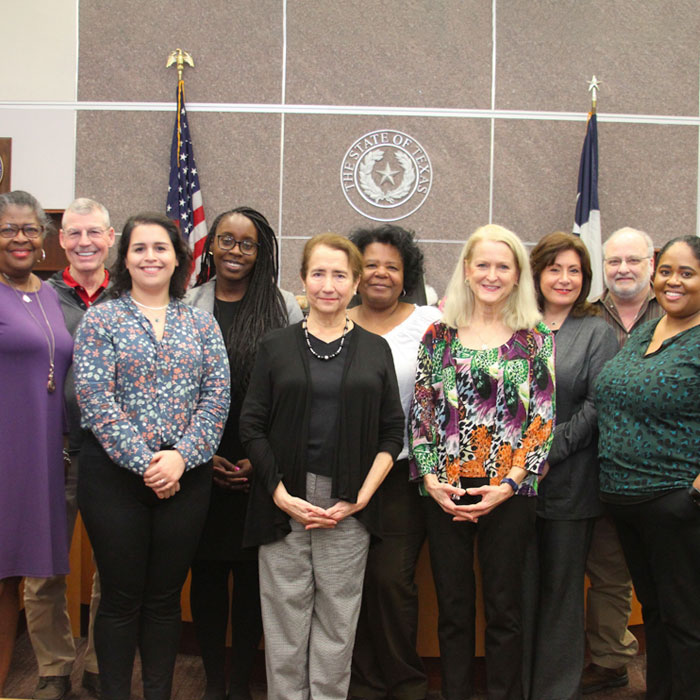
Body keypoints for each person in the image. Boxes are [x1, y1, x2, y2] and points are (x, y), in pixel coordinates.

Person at [240, 233, 405, 700]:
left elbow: (393, 432)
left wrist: (361, 498)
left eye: (339, 275)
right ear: (302, 280)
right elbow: (251, 425)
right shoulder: (275, 346)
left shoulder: (376, 349)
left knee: (337, 622)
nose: (328, 284)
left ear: (355, 283)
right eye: (318, 273)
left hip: (347, 502)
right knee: (285, 623)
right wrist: (278, 492)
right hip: (283, 501)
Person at [74, 212, 230, 700]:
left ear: (177, 258)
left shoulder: (201, 324)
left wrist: (181, 458)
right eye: (140, 248)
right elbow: (96, 400)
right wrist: (147, 462)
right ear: (124, 258)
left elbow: (216, 399)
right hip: (113, 479)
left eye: (160, 248)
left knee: (165, 600)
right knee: (120, 599)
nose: (150, 257)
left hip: (186, 478)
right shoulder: (101, 319)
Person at [409, 223, 555, 700]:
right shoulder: (438, 334)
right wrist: (430, 480)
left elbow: (542, 418)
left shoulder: (534, 338)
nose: (492, 274)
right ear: (467, 271)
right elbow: (423, 413)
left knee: (504, 609)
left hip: (509, 492)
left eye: (503, 266)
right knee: (452, 608)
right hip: (444, 488)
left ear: (517, 276)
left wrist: (509, 484)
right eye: (483, 265)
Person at [185, 207, 303, 700]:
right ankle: (214, 682)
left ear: (261, 251)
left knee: (255, 581)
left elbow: (294, 392)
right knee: (208, 576)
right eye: (226, 240)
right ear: (210, 245)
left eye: (247, 243)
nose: (236, 250)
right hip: (199, 463)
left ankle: (239, 684)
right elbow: (177, 390)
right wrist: (199, 453)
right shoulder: (188, 304)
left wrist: (263, 457)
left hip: (262, 465)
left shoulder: (283, 308)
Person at [594, 235, 700, 700]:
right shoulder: (646, 330)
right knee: (655, 614)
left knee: (686, 619)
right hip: (627, 500)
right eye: (667, 271)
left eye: (688, 273)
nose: (673, 281)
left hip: (676, 501)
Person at [23, 198, 113, 700]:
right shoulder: (38, 295)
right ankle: (53, 669)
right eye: (74, 233)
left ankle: (103, 664)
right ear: (60, 240)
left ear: (110, 236)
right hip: (50, 449)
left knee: (112, 568)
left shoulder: (129, 294)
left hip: (112, 454)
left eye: (93, 233)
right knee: (43, 568)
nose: (83, 243)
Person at [346, 224, 440, 700]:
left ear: (407, 276)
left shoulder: (430, 322)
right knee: (350, 583)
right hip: (344, 475)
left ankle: (406, 685)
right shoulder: (334, 321)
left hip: (404, 474)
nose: (380, 273)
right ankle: (362, 685)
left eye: (392, 266)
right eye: (370, 265)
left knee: (391, 582)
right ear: (355, 274)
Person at [528, 232, 617, 700]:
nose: (564, 279)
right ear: (537, 273)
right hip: (511, 486)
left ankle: (555, 691)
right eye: (554, 269)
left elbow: (597, 405)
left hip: (570, 483)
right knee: (519, 591)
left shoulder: (597, 331)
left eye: (574, 271)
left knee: (562, 595)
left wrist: (545, 453)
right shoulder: (516, 323)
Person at [582, 226, 663, 694]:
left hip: (659, 470)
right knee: (607, 569)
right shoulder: (587, 314)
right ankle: (610, 660)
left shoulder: (676, 312)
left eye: (633, 260)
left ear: (651, 263)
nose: (623, 269)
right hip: (592, 465)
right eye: (614, 261)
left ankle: (663, 665)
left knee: (659, 572)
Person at [0, 191, 73, 695]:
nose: (20, 238)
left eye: (30, 229)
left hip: (44, 453)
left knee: (15, 579)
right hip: (6, 450)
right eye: (8, 229)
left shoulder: (50, 294)